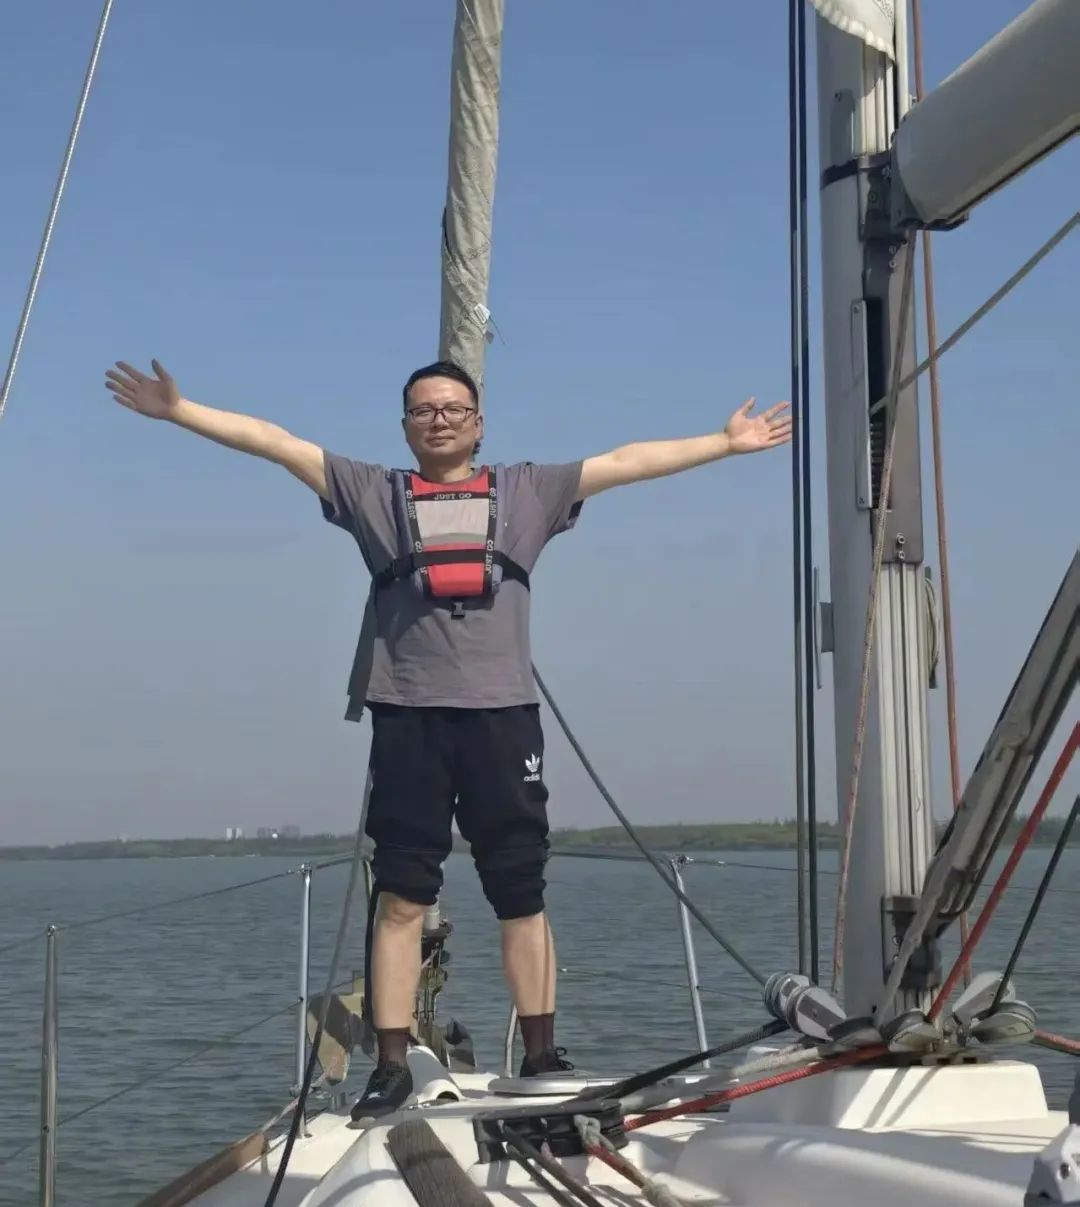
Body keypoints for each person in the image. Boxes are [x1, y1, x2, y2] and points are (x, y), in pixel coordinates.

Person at [103, 356, 792, 1118]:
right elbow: (278, 442)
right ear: (405, 426)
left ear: (478, 422)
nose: (439, 419)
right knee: (401, 894)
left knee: (521, 890)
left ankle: (541, 1053)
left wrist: (725, 443)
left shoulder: (527, 492)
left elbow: (625, 462)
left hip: (503, 718)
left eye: (453, 408)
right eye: (423, 409)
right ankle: (391, 1063)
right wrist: (180, 409)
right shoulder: (373, 493)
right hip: (409, 719)